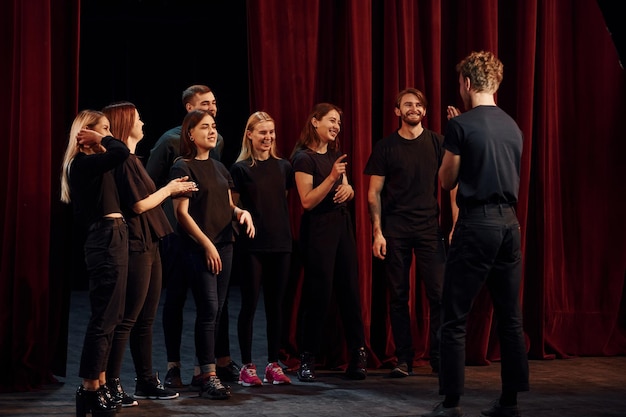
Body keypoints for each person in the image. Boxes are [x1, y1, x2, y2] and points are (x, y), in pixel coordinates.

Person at [423, 51, 529, 417]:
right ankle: (510, 400)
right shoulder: (513, 126)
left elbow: (447, 180)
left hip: (477, 224)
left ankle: (451, 401)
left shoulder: (461, 126)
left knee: (454, 316)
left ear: (466, 84)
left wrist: (458, 134)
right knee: (510, 317)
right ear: (496, 84)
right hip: (510, 226)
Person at [101, 102, 197, 406]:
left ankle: (145, 379)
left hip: (151, 240)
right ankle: (113, 382)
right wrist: (168, 190)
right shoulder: (122, 162)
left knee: (147, 318)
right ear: (126, 123)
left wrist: (170, 189)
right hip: (135, 243)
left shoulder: (134, 160)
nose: (143, 122)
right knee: (127, 318)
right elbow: (139, 205)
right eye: (138, 118)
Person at [146, 85, 241, 387]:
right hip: (182, 237)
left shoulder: (218, 154)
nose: (212, 116)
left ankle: (207, 368)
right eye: (204, 110)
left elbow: (220, 194)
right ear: (189, 114)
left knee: (213, 307)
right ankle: (178, 366)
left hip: (217, 238)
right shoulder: (171, 148)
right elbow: (152, 187)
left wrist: (239, 213)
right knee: (178, 300)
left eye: (214, 109)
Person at [364, 88, 450, 377]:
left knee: (439, 295)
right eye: (407, 104)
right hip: (395, 231)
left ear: (424, 111)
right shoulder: (386, 147)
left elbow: (453, 185)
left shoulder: (438, 142)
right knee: (399, 296)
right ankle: (404, 359)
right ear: (397, 111)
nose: (413, 108)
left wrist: (457, 225)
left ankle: (439, 357)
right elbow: (373, 193)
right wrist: (377, 232)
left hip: (429, 229)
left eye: (417, 105)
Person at [169, 109, 255, 399]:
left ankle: (200, 371)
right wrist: (206, 244)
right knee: (208, 308)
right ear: (190, 134)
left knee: (217, 310)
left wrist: (241, 212)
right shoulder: (183, 166)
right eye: (204, 127)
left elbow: (225, 205)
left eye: (214, 126)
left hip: (225, 244)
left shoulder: (220, 168)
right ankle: (208, 375)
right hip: (199, 247)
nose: (211, 131)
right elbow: (181, 214)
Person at [290, 102, 368, 382]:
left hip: (341, 227)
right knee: (318, 295)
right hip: (318, 231)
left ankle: (358, 356)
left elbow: (345, 187)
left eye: (339, 123)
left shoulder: (336, 155)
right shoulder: (303, 158)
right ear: (315, 122)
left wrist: (349, 188)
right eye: (332, 120)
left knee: (349, 292)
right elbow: (307, 201)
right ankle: (307, 358)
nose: (336, 126)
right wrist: (334, 177)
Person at [60, 110, 130, 417]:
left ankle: (98, 383)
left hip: (114, 236)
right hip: (104, 239)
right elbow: (121, 150)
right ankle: (89, 388)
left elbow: (121, 156)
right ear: (85, 134)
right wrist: (104, 139)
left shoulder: (95, 165)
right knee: (103, 317)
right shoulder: (82, 164)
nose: (108, 135)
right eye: (102, 130)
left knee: (112, 316)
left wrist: (102, 138)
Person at [230, 111, 294, 387]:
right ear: (250, 135)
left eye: (271, 133)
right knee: (249, 305)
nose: (268, 138)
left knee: (276, 306)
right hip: (252, 246)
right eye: (262, 133)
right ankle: (247, 366)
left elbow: (283, 201)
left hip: (281, 243)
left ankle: (272, 364)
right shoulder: (240, 168)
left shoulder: (284, 166)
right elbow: (232, 207)